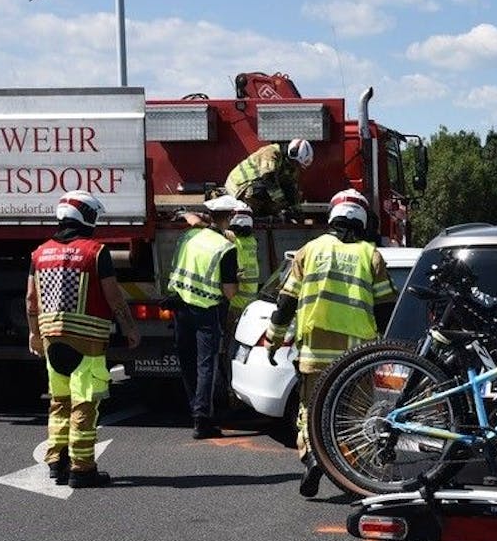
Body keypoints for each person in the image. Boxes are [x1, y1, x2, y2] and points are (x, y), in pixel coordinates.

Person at [263, 189, 396, 497]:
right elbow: (386, 309)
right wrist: (392, 353)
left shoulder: (308, 251)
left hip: (314, 354)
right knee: (354, 415)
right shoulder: (370, 256)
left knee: (310, 411)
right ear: (362, 218)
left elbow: (285, 303)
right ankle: (352, 473)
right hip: (356, 358)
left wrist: (274, 340)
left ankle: (312, 459)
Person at [25, 190, 140, 489]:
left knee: (59, 403)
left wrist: (34, 334)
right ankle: (82, 469)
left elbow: (30, 300)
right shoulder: (96, 252)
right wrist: (129, 328)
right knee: (85, 405)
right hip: (87, 342)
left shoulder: (39, 253)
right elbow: (113, 296)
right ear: (87, 217)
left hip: (52, 340)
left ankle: (56, 463)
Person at [166, 196, 240, 439]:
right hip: (206, 310)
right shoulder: (226, 248)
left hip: (180, 305)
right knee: (205, 364)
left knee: (187, 361)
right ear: (229, 217)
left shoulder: (189, 236)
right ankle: (203, 419)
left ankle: (194, 410)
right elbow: (229, 291)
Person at [224, 138, 314, 218]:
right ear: (291, 154)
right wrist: (282, 203)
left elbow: (291, 188)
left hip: (256, 183)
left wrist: (296, 210)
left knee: (285, 190)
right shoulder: (271, 152)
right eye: (296, 163)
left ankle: (268, 215)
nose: (296, 166)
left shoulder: (289, 165)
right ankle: (253, 214)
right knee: (260, 190)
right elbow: (268, 179)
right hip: (239, 185)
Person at [225, 200, 261, 316]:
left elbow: (217, 228)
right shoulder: (252, 240)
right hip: (250, 300)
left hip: (236, 301)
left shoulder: (232, 238)